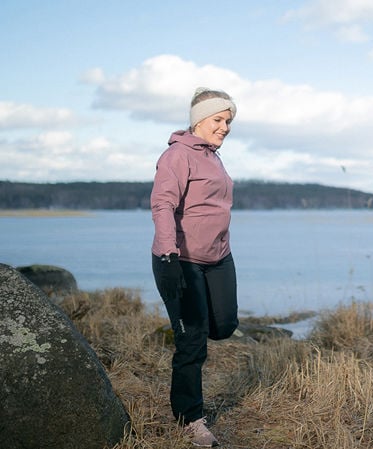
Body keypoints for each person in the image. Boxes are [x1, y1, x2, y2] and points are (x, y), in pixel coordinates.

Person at [151, 87, 240, 447]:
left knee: (225, 325)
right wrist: (168, 255)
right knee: (192, 342)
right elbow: (162, 205)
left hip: (218, 258)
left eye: (228, 121)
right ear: (199, 120)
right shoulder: (177, 155)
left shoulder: (214, 157)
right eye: (219, 119)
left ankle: (195, 326)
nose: (225, 127)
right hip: (180, 259)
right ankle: (190, 419)